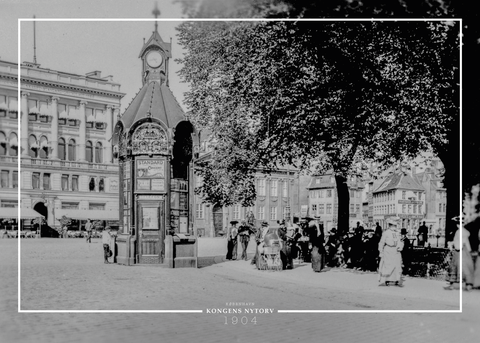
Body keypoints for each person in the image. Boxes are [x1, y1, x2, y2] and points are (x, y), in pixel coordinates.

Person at [445, 216, 474, 291]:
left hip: (459, 251)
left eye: (457, 223)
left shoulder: (459, 232)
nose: (457, 225)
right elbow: (466, 242)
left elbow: (458, 243)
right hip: (465, 251)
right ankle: (468, 284)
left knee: (455, 267)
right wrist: (469, 250)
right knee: (465, 267)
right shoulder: (465, 232)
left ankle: (453, 285)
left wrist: (454, 246)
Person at [378, 216, 404, 286]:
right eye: (392, 225)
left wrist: (400, 247)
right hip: (388, 251)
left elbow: (400, 241)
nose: (394, 227)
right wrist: (381, 251)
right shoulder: (386, 233)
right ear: (390, 225)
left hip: (395, 251)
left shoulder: (397, 233)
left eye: (395, 225)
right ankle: (386, 280)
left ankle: (396, 280)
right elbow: (381, 242)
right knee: (388, 265)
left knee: (397, 265)